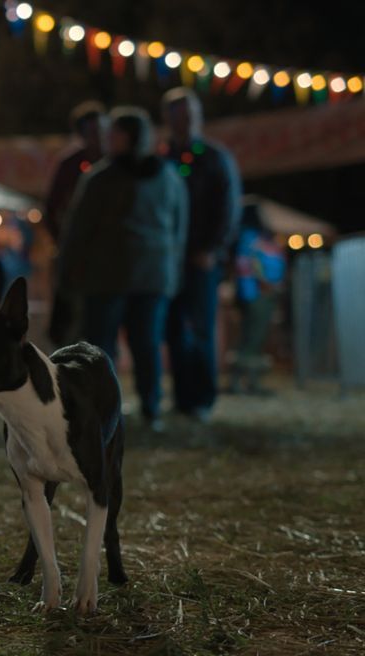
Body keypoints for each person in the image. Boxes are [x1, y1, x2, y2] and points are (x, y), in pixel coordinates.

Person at [61, 107, 188, 431]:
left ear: (126, 137)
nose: (108, 138)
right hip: (153, 273)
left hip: (108, 273)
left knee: (101, 346)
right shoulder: (169, 176)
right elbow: (179, 226)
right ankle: (151, 408)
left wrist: (69, 268)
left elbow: (79, 227)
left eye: (114, 133)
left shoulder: (102, 176)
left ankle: (100, 410)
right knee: (146, 343)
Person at [162, 87, 242, 422]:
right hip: (169, 260)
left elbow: (228, 208)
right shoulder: (162, 158)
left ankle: (203, 399)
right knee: (173, 329)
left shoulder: (214, 157)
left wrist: (212, 249)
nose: (184, 121)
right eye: (178, 115)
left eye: (189, 114)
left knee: (201, 328)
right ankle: (182, 398)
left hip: (202, 260)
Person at [44, 101, 109, 346]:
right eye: (92, 132)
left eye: (102, 130)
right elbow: (51, 208)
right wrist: (63, 241)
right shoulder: (70, 165)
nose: (98, 137)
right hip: (75, 255)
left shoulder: (115, 163)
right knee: (71, 316)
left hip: (107, 256)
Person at [225, 200, 285, 396]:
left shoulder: (255, 236)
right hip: (256, 293)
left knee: (255, 340)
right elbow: (248, 263)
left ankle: (250, 381)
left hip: (260, 292)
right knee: (251, 340)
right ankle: (240, 382)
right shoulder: (249, 236)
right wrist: (264, 282)